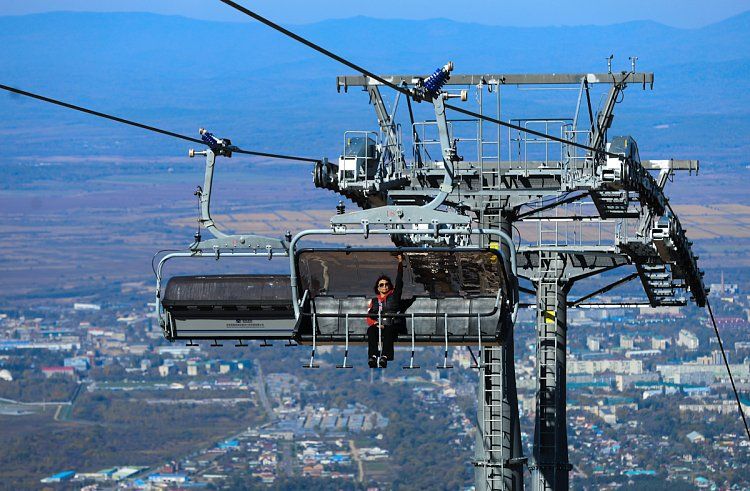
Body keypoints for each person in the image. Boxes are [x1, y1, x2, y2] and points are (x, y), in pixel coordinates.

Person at [366, 253, 405, 368]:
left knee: (389, 330)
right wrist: (375, 323)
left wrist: (400, 263)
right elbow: (369, 316)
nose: (384, 287)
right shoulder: (374, 301)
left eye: (386, 284)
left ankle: (385, 356)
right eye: (382, 285)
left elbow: (399, 281)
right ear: (378, 288)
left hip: (391, 325)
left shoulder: (394, 296)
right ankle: (373, 356)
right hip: (379, 325)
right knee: (371, 331)